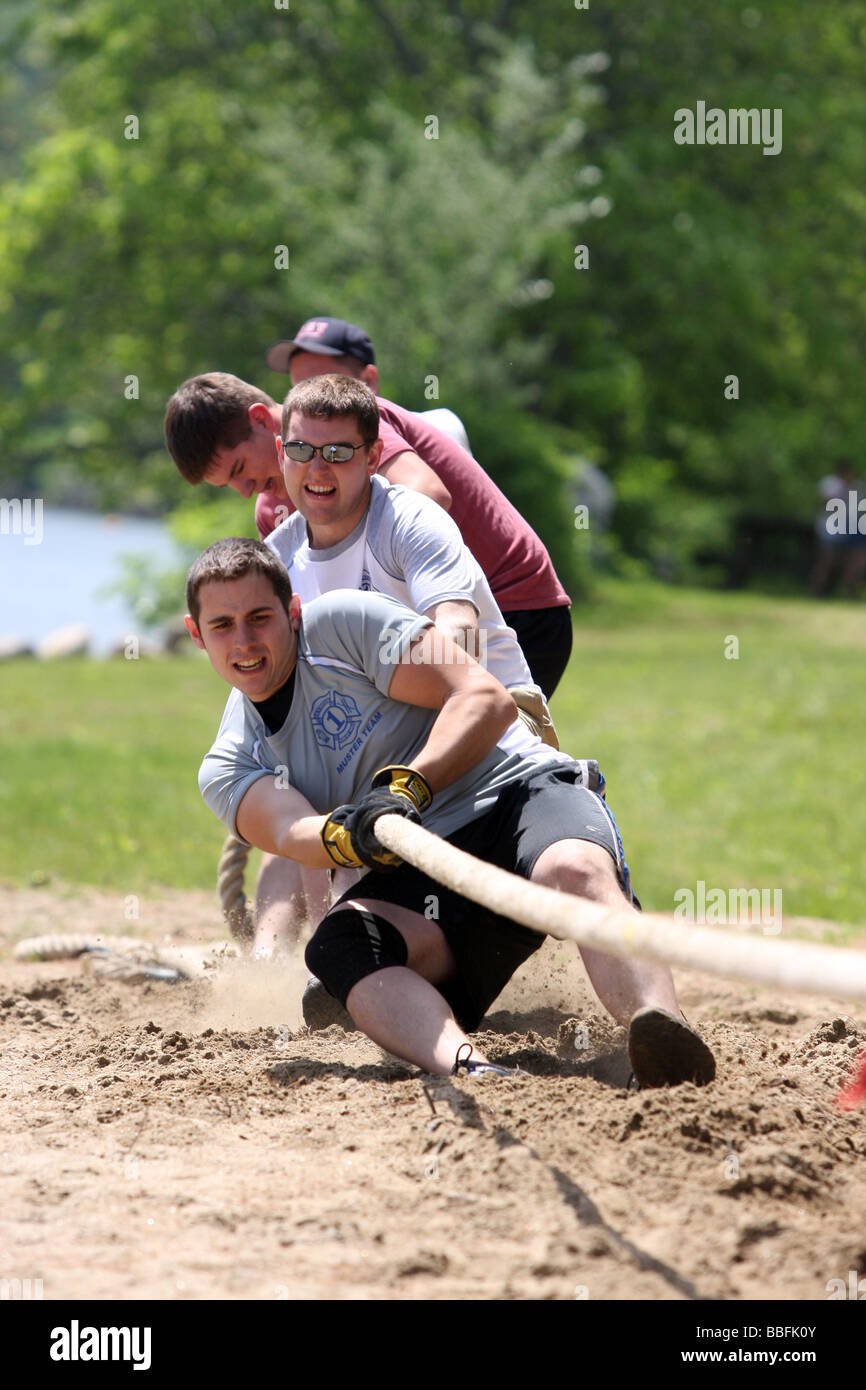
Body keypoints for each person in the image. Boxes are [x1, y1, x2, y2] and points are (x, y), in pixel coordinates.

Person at [185, 535, 716, 1088]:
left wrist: (409, 786)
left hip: (519, 794)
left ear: (292, 612)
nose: (244, 641)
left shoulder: (345, 622)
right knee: (339, 947)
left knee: (576, 872)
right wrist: (347, 837)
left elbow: (484, 698)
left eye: (260, 617)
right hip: (429, 878)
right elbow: (293, 830)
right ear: (196, 634)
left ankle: (665, 1042)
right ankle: (475, 1069)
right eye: (222, 626)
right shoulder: (228, 763)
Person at [262, 373, 556, 958]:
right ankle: (305, 958)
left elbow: (459, 634)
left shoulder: (409, 520)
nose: (316, 469)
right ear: (281, 452)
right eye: (300, 450)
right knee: (297, 783)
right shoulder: (278, 559)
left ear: (373, 457)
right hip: (379, 745)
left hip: (488, 723)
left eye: (338, 453)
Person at [262, 316, 573, 699]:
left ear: (368, 384)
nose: (318, 396)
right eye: (300, 384)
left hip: (513, 603)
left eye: (338, 451)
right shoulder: (281, 541)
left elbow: (430, 499)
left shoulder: (393, 466)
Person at [810, 462, 866, 599]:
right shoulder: (830, 483)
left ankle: (850, 591)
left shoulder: (857, 485)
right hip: (831, 528)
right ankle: (817, 591)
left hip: (853, 527)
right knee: (827, 561)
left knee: (857, 559)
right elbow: (827, 503)